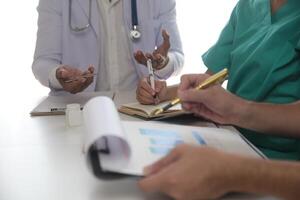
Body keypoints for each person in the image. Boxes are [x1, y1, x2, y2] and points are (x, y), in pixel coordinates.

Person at [136, 0, 300, 160]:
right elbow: (211, 80)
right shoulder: (247, 6)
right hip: (233, 140)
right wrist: (164, 92)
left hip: (281, 160)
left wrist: (236, 110)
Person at [138, 73, 300, 200]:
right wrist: (237, 110)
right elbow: (206, 81)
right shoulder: (240, 29)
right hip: (232, 145)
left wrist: (237, 173)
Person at [32, 0, 184, 94]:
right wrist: (59, 75)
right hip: (79, 109)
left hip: (140, 104)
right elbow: (43, 61)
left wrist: (163, 63)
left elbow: (176, 55)